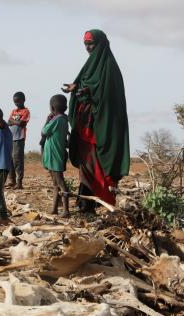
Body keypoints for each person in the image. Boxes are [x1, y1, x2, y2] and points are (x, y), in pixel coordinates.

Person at [62, 29, 130, 213]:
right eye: (85, 45)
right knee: (86, 163)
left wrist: (89, 93)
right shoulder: (89, 66)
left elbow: (108, 97)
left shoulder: (110, 69)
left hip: (101, 126)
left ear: (100, 44)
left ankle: (100, 202)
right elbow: (85, 84)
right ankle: (86, 203)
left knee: (98, 163)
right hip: (85, 124)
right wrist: (76, 87)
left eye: (91, 44)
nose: (88, 48)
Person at [41, 94, 70, 217]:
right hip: (56, 155)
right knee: (55, 183)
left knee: (60, 182)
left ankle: (66, 210)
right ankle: (54, 209)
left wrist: (47, 120)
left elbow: (44, 131)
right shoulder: (63, 120)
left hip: (54, 156)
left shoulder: (56, 120)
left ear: (52, 107)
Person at [6, 91, 30, 189]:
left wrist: (14, 121)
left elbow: (22, 124)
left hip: (19, 138)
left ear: (23, 100)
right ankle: (11, 180)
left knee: (18, 160)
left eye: (18, 101)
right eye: (15, 102)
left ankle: (19, 182)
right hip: (10, 138)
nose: (16, 104)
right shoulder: (13, 111)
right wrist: (16, 121)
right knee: (10, 159)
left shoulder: (26, 111)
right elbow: (8, 122)